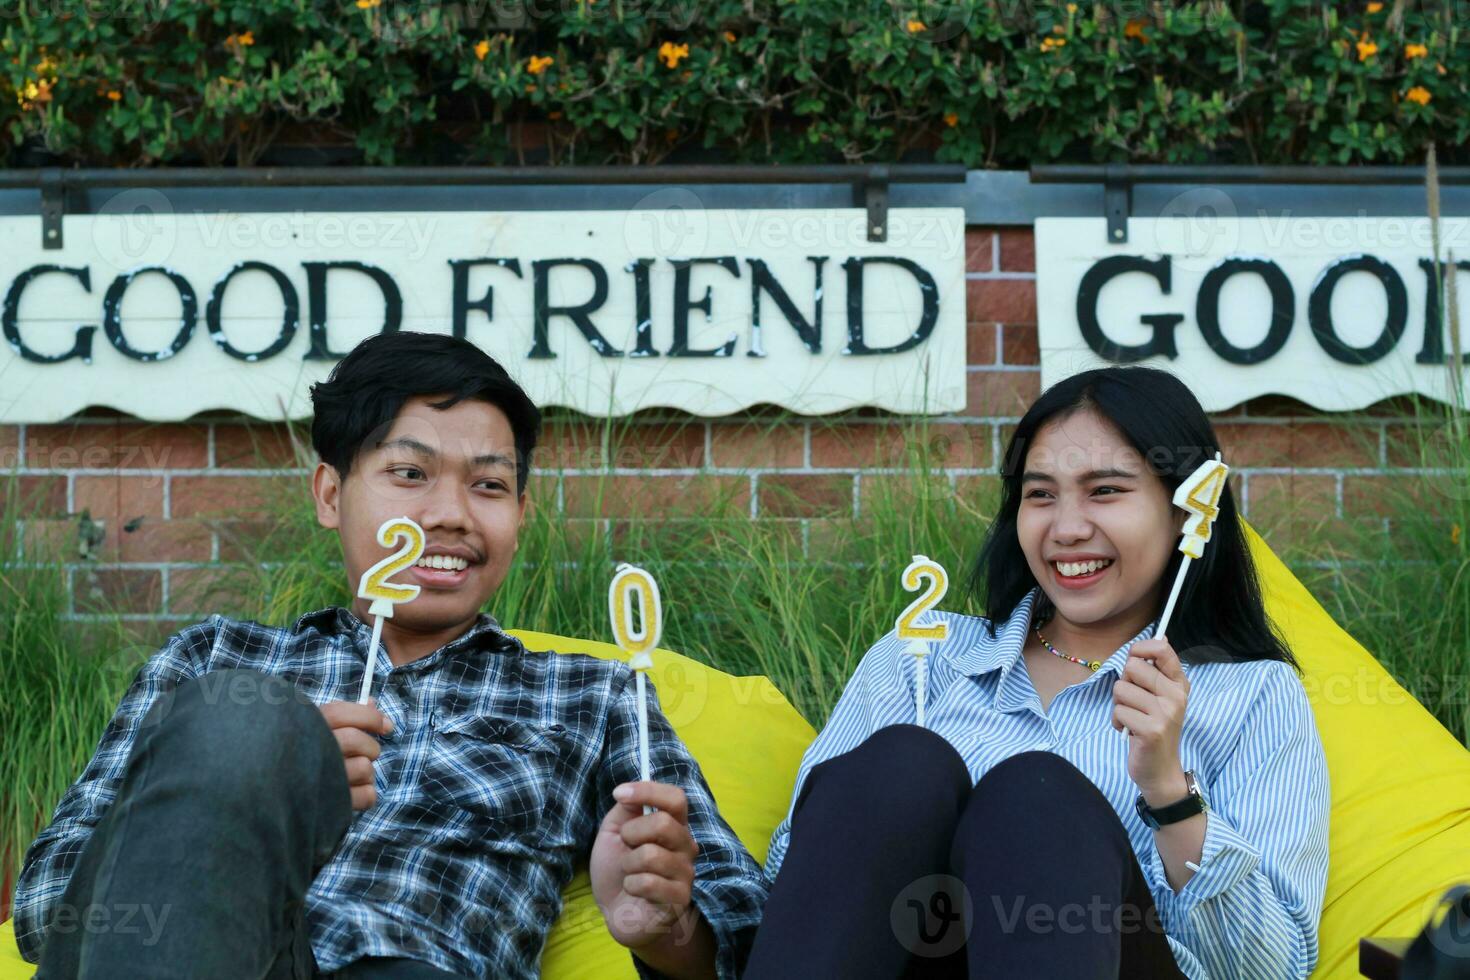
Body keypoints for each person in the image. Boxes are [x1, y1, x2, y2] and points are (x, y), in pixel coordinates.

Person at [11, 331, 767, 979]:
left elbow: (750, 936)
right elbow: (47, 912)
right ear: (331, 495)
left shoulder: (596, 696)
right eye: (408, 475)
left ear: (521, 514)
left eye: (490, 485)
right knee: (243, 726)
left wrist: (663, 925)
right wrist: (263, 788)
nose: (448, 515)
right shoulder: (214, 659)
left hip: (418, 964)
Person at [744, 365, 1331, 979]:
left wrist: (1169, 794)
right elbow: (796, 901)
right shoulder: (919, 661)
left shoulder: (1253, 695)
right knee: (905, 764)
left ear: (1186, 512)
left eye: (1105, 491)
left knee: (1037, 800)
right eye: (1040, 494)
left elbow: (1274, 968)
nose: (1068, 529)